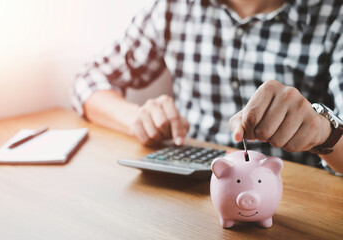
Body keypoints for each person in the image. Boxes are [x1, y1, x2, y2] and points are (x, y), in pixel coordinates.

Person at [72, 0, 343, 175]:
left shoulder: (334, 15)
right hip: (186, 189)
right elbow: (88, 80)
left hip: (291, 196)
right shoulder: (173, 8)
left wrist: (323, 133)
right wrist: (137, 119)